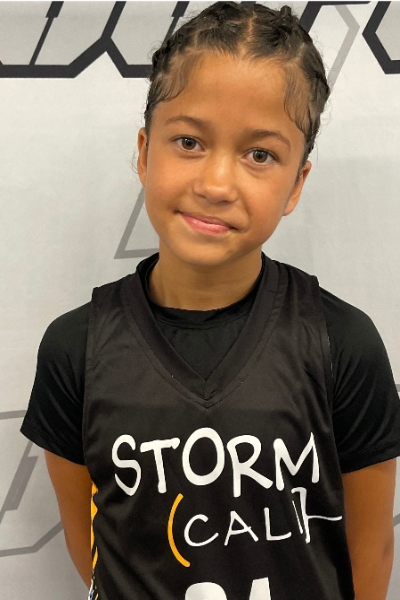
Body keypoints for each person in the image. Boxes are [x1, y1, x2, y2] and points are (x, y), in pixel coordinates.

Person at [21, 2, 400, 600]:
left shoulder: (343, 345)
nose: (217, 184)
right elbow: (92, 545)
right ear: (145, 152)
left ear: (296, 184)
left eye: (260, 155)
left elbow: (369, 550)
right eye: (189, 141)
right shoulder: (76, 349)